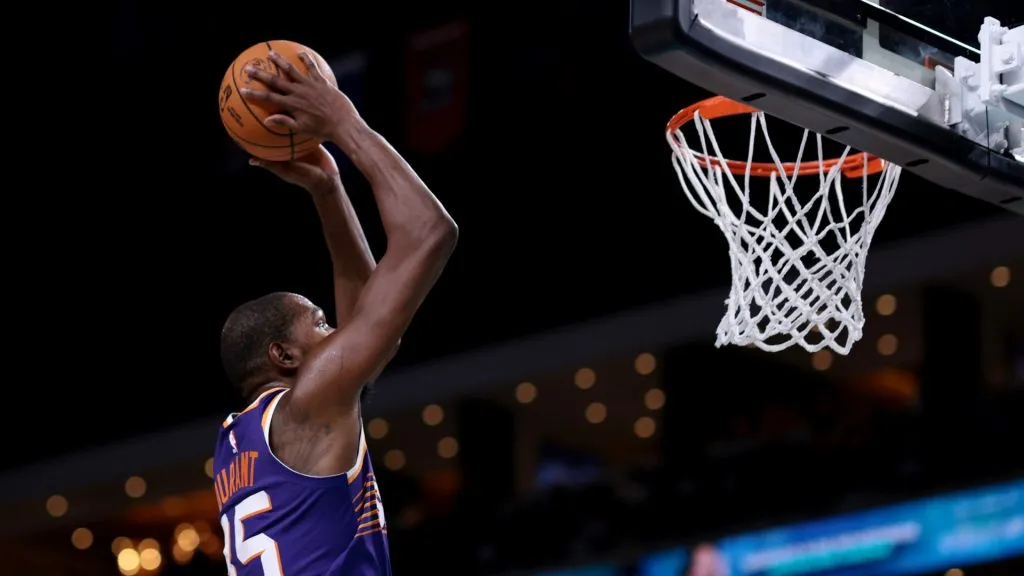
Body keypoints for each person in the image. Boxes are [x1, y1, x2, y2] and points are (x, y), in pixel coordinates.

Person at [212, 51, 458, 576]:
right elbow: (428, 233)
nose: (337, 331)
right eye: (320, 324)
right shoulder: (310, 406)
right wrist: (344, 120)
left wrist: (328, 188)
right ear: (284, 354)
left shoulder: (239, 439)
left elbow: (373, 325)